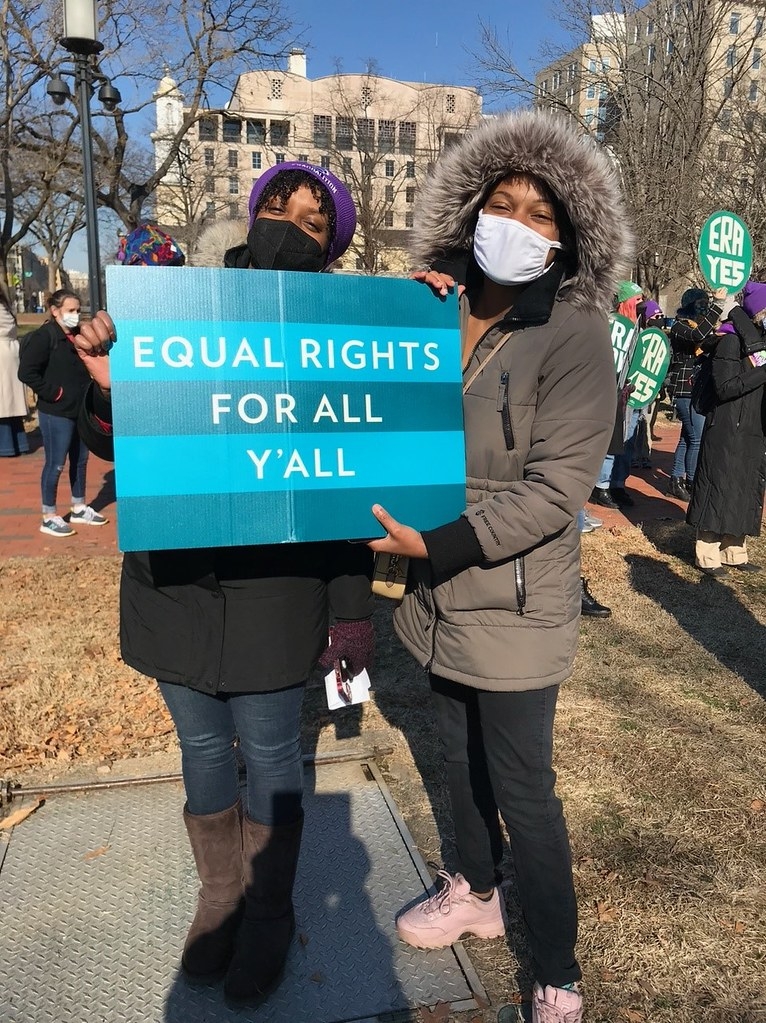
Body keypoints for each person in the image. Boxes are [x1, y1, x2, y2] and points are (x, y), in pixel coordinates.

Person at [73, 164, 375, 1009]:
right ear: (253, 211)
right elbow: (118, 447)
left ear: (334, 247)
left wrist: (351, 612)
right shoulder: (176, 313)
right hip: (177, 587)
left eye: (316, 221)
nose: (291, 223)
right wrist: (107, 388)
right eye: (282, 205)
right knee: (203, 749)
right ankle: (221, 894)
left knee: (275, 755)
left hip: (279, 596)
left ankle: (269, 910)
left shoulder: (343, 338)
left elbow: (362, 477)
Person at [366, 111, 631, 1023]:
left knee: (525, 788)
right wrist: (398, 315)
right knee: (455, 757)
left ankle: (556, 967)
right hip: (435, 597)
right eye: (501, 202)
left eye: (541, 213)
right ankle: (476, 891)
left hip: (513, 600)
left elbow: (558, 490)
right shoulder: (429, 309)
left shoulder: (578, 332)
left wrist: (436, 542)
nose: (516, 222)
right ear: (471, 210)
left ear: (567, 238)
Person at [687, 281, 766, 576]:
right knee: (719, 485)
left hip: (753, 429)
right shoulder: (729, 341)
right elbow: (725, 387)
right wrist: (761, 374)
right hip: (726, 426)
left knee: (745, 488)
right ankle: (707, 552)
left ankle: (735, 549)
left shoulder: (760, 345)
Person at [17, 289, 107, 536]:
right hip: (55, 412)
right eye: (70, 310)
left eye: (78, 310)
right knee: (56, 463)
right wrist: (54, 393)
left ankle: (78, 506)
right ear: (55, 311)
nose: (75, 315)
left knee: (80, 461)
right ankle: (49, 514)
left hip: (80, 411)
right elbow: (26, 372)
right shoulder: (44, 337)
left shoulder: (77, 336)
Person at [666, 287, 725, 502]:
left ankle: (675, 479)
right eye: (701, 303)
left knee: (686, 438)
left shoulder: (700, 326)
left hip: (696, 388)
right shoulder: (680, 326)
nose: (705, 307)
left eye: (706, 303)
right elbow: (698, 336)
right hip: (685, 389)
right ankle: (691, 482)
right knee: (697, 438)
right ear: (690, 305)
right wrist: (718, 306)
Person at [0, 286, 29, 456]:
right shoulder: (5, 305)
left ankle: (6, 446)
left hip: (2, 353)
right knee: (10, 401)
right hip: (9, 352)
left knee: (4, 402)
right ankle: (19, 443)